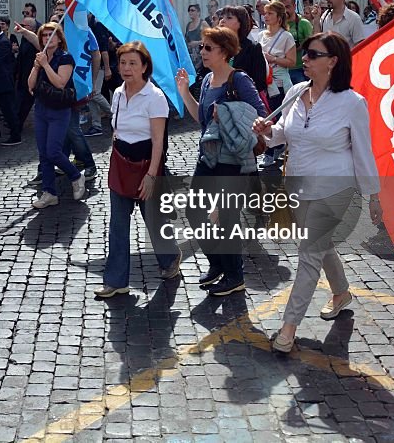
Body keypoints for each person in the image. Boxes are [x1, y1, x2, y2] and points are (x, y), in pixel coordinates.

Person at [252, 33, 381, 353]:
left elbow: (364, 152)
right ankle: (341, 293)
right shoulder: (295, 92)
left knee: (308, 255)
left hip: (335, 188)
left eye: (312, 54)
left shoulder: (353, 103)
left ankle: (288, 329)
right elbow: (284, 134)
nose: (304, 59)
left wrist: (374, 195)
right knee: (318, 247)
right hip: (297, 183)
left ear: (333, 61)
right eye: (305, 53)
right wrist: (267, 133)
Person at [176, 27, 266, 294]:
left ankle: (235, 276)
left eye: (208, 48)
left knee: (227, 217)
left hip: (233, 159)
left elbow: (259, 115)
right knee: (194, 211)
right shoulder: (206, 81)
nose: (202, 52)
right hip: (208, 156)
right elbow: (201, 120)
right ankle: (217, 263)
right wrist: (184, 92)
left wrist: (228, 114)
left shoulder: (239, 80)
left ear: (225, 52)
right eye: (202, 47)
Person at [95, 42, 178, 298]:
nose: (126, 68)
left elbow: (158, 141)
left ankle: (170, 258)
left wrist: (152, 175)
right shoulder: (118, 93)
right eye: (123, 63)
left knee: (154, 220)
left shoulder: (154, 97)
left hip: (146, 164)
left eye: (133, 63)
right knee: (118, 224)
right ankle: (117, 281)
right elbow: (116, 130)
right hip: (121, 161)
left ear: (144, 67)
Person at [28, 23, 86, 208]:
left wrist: (45, 65)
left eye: (51, 35)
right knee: (44, 154)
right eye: (44, 36)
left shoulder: (65, 58)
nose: (47, 38)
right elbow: (30, 85)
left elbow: (60, 83)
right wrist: (37, 67)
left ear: (60, 39)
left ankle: (76, 176)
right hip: (41, 109)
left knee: (53, 151)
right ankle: (49, 193)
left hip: (59, 110)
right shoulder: (41, 57)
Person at [218, 5, 269, 108]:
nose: (222, 21)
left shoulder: (252, 48)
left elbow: (260, 82)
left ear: (240, 23)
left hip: (244, 105)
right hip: (219, 102)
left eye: (229, 18)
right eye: (222, 17)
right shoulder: (216, 47)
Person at [260, 0, 296, 109]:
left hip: (279, 83)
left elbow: (292, 62)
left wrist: (273, 59)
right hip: (263, 81)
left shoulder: (286, 36)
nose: (266, 16)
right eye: (265, 13)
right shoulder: (261, 34)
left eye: (270, 13)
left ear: (279, 17)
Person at [281, 0, 312, 85]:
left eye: (288, 7)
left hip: (300, 69)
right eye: (282, 7)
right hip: (282, 70)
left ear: (294, 6)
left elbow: (311, 45)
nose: (285, 10)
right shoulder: (278, 24)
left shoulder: (304, 23)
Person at [185, 4, 204, 75]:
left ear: (198, 12)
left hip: (200, 56)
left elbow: (210, 39)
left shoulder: (203, 23)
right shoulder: (188, 25)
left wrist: (197, 43)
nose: (190, 12)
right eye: (189, 11)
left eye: (192, 10)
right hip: (190, 56)